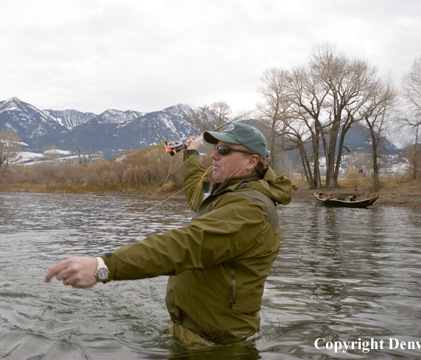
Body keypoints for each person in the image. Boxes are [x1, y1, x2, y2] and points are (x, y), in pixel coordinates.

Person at [44, 122, 292, 346]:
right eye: (215, 147)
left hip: (218, 347)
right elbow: (198, 194)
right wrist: (191, 153)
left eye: (225, 151)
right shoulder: (224, 195)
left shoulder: (249, 210)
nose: (214, 155)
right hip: (192, 337)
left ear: (251, 161)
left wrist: (103, 266)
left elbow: (184, 245)